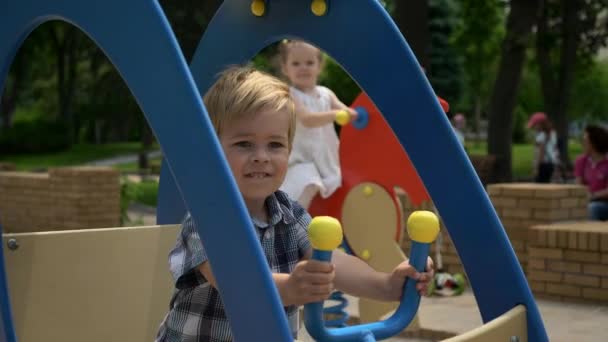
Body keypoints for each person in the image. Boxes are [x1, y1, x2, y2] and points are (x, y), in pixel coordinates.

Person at [155, 66, 434, 342]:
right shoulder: (207, 217)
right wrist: (289, 288)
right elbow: (234, 283)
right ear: (212, 151)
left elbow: (333, 261)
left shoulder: (289, 212)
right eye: (244, 144)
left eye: (275, 145)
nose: (261, 156)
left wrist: (385, 285)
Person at [277, 40, 358, 209]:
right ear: (285, 68)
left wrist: (356, 115)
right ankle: (293, 220)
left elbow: (348, 112)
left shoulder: (326, 94)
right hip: (302, 158)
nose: (303, 67)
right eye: (296, 63)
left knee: (340, 182)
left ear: (319, 66)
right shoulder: (290, 95)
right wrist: (337, 114)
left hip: (325, 156)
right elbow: (307, 119)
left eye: (309, 62)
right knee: (309, 183)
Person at [574, 124, 608, 221]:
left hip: (603, 203)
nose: (582, 144)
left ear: (594, 143)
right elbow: (578, 184)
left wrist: (592, 196)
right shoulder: (581, 161)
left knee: (592, 208)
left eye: (585, 141)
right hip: (587, 201)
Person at [527, 112, 560, 183]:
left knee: (539, 189)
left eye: (534, 125)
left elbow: (541, 153)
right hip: (551, 164)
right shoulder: (553, 133)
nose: (534, 128)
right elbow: (555, 150)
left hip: (542, 166)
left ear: (540, 124)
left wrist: (536, 168)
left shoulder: (540, 136)